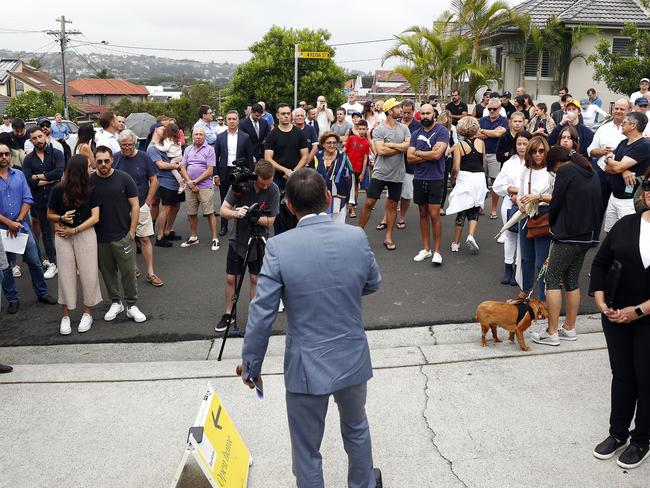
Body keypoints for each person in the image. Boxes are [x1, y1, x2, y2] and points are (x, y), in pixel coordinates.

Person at [240, 168, 382, 488]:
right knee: (357, 428)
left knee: (306, 449)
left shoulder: (279, 247)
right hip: (352, 354)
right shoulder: (355, 236)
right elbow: (372, 283)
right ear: (329, 198)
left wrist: (252, 364)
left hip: (306, 362)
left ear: (288, 205)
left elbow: (262, 314)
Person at [589, 178, 650, 469]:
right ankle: (618, 433)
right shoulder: (626, 224)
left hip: (645, 318)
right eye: (649, 187)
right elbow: (600, 263)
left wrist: (637, 311)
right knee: (622, 375)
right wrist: (601, 303)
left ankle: (641, 439)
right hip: (615, 316)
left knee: (646, 377)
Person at [530, 146, 602, 346]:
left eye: (551, 168)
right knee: (571, 280)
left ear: (555, 163)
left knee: (551, 278)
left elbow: (556, 203)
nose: (553, 172)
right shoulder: (590, 170)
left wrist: (552, 225)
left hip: (569, 234)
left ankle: (551, 332)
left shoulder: (565, 171)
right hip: (589, 235)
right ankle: (569, 328)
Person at [217, 159, 279, 334]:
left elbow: (270, 221)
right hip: (238, 239)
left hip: (259, 240)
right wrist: (237, 213)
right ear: (255, 177)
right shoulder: (241, 184)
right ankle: (229, 314)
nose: (266, 187)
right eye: (263, 183)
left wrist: (253, 217)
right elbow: (223, 210)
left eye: (269, 182)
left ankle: (255, 316)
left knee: (256, 279)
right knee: (231, 279)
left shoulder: (273, 189)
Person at [47, 155, 102, 335]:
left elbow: (95, 217)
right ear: (79, 169)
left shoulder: (91, 189)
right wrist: (61, 218)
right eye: (88, 166)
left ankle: (88, 312)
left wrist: (75, 230)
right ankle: (66, 315)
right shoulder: (58, 189)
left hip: (84, 233)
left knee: (89, 273)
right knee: (65, 275)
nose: (91, 169)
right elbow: (50, 214)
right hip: (63, 236)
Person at [92, 146, 146, 323]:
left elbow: (135, 205)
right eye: (99, 161)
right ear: (95, 162)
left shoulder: (124, 178)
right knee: (107, 273)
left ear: (112, 161)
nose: (103, 164)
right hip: (100, 238)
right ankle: (116, 302)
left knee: (128, 273)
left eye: (106, 161)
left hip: (123, 234)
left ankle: (132, 305)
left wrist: (132, 231)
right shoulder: (90, 181)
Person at [0, 143, 57, 314]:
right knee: (6, 267)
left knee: (34, 262)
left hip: (22, 228)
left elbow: (27, 198)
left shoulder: (18, 175)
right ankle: (12, 298)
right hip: (2, 230)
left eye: (6, 154)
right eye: (0, 154)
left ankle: (42, 293)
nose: (3, 157)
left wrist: (17, 221)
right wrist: (9, 223)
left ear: (10, 155)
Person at [358, 98, 411, 251]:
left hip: (397, 174)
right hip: (380, 173)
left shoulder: (404, 128)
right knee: (369, 203)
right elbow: (381, 151)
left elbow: (409, 146)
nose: (400, 109)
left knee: (393, 205)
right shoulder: (380, 129)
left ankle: (388, 237)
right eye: (397, 107)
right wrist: (401, 147)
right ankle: (358, 232)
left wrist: (392, 144)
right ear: (390, 111)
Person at [114, 130, 163, 287]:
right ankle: (132, 267)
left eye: (129, 144)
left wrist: (148, 203)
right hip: (121, 207)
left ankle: (151, 272)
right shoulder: (115, 158)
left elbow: (154, 181)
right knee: (127, 239)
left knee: (145, 238)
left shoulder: (144, 157)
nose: (126, 148)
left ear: (134, 143)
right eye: (123, 145)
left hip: (141, 204)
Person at [511, 135, 553, 303]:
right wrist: (520, 201)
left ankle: (543, 298)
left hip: (544, 215)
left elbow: (557, 196)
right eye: (534, 151)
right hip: (526, 215)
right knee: (526, 258)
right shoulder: (525, 170)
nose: (537, 155)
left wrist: (539, 197)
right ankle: (525, 291)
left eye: (541, 151)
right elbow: (519, 194)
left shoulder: (551, 172)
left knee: (542, 261)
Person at [407, 103, 449, 264]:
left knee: (434, 214)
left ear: (434, 115)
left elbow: (437, 155)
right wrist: (428, 154)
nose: (425, 116)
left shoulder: (442, 131)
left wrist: (418, 152)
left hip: (436, 178)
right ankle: (426, 249)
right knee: (422, 213)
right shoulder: (415, 133)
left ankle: (437, 251)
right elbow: (409, 158)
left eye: (428, 113)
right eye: (423, 113)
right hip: (419, 177)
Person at [22, 126, 65, 280]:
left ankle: (66, 261)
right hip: (39, 200)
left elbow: (59, 173)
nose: (38, 140)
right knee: (46, 233)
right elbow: (28, 181)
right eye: (34, 138)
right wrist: (49, 179)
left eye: (40, 136)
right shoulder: (28, 159)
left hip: (58, 200)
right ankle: (53, 263)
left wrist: (38, 177)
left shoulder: (56, 154)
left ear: (45, 136)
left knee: (62, 230)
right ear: (31, 140)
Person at [493, 130, 532, 285]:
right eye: (519, 144)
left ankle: (518, 268)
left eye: (525, 144)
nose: (522, 147)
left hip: (529, 205)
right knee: (510, 236)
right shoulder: (510, 162)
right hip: (510, 203)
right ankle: (508, 267)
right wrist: (513, 192)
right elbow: (498, 185)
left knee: (523, 238)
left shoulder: (535, 162)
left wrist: (520, 192)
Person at [263, 103, 309, 234]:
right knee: (278, 210)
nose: (286, 116)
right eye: (283, 114)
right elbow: (268, 158)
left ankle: (296, 235)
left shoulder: (299, 133)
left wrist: (293, 172)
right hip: (277, 178)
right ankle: (280, 237)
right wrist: (285, 170)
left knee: (297, 208)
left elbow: (305, 156)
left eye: (288, 113)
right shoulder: (272, 135)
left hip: (296, 178)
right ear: (277, 116)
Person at [602, 111, 650, 233]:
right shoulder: (623, 143)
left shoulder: (643, 145)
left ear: (633, 125)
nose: (621, 124)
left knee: (627, 235)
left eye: (624, 122)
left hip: (629, 201)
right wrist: (624, 170)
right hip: (614, 197)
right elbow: (606, 168)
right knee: (610, 233)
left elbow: (617, 167)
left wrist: (610, 159)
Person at [446, 116, 487, 253]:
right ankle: (470, 235)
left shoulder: (459, 145)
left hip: (465, 178)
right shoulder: (481, 143)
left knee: (461, 210)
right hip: (480, 178)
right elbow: (484, 163)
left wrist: (452, 177)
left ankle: (456, 243)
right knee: (474, 209)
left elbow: (456, 166)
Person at [178, 126, 219, 251]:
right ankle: (194, 237)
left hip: (205, 186)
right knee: (191, 213)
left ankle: (214, 238)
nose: (198, 136)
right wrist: (190, 182)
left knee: (209, 212)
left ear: (204, 136)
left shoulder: (210, 149)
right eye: (196, 134)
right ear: (192, 135)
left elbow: (210, 170)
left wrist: (195, 181)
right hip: (190, 186)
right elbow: (183, 166)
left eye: (201, 134)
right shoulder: (188, 149)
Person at [588, 98, 629, 216]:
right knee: (598, 208)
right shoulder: (603, 128)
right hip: (603, 173)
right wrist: (602, 151)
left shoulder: (632, 130)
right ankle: (595, 235)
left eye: (622, 109)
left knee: (622, 212)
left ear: (628, 111)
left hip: (623, 175)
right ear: (612, 109)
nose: (618, 111)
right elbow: (590, 151)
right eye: (616, 108)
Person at [215, 110, 254, 236]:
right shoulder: (220, 136)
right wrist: (215, 174)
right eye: (229, 119)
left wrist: (250, 175)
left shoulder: (245, 137)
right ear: (226, 121)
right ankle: (224, 226)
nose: (232, 121)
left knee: (242, 199)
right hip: (224, 171)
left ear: (238, 121)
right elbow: (215, 157)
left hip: (240, 172)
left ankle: (242, 225)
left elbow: (249, 158)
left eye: (234, 119)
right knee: (224, 199)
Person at [148, 124, 184, 248]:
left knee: (176, 205)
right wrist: (177, 166)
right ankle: (160, 236)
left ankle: (168, 231)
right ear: (155, 130)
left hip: (174, 179)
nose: (165, 130)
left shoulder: (166, 142)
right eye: (162, 128)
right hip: (164, 180)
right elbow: (161, 165)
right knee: (167, 207)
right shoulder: (153, 148)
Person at [312, 132, 354, 223]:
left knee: (339, 227)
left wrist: (351, 200)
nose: (332, 145)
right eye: (329, 143)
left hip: (339, 198)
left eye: (334, 143)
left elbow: (351, 178)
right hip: (320, 198)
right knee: (322, 227)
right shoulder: (317, 156)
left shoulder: (343, 157)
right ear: (323, 144)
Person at [478, 97, 508, 219]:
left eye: (494, 109)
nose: (491, 111)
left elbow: (498, 134)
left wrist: (483, 132)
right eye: (489, 109)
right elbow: (475, 134)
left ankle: (494, 209)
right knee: (480, 182)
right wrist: (491, 132)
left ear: (499, 109)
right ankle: (480, 206)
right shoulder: (483, 120)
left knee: (495, 182)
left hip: (496, 154)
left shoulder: (504, 120)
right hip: (481, 153)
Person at [345, 119, 370, 218]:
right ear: (357, 129)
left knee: (355, 189)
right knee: (347, 187)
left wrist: (363, 173)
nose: (361, 131)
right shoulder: (351, 138)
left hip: (358, 169)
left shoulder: (366, 143)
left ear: (366, 130)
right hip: (348, 168)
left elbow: (365, 158)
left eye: (364, 129)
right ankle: (347, 206)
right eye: (360, 129)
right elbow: (345, 150)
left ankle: (353, 208)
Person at [154, 124, 186, 193]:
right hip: (180, 156)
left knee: (173, 170)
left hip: (174, 158)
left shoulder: (168, 139)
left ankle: (181, 183)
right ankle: (185, 179)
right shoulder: (176, 139)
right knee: (180, 169)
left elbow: (165, 149)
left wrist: (157, 146)